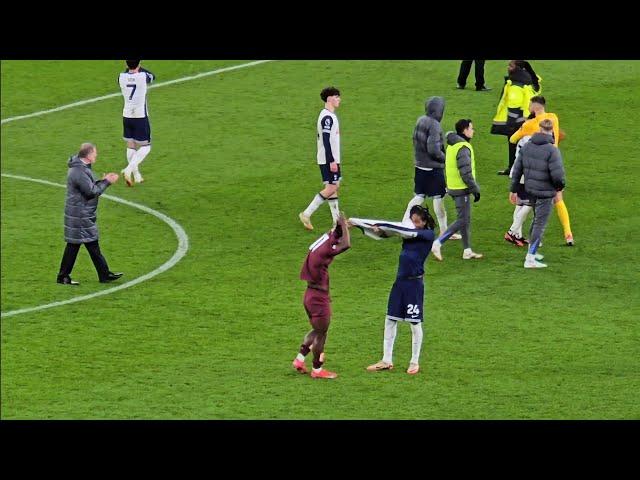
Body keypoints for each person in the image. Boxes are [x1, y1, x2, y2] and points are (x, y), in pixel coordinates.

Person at [349, 205, 435, 375]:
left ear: (424, 222)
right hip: (400, 282)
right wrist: (368, 227)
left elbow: (398, 229)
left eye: (417, 221)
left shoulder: (427, 234)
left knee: (415, 322)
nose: (413, 224)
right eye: (412, 221)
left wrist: (370, 224)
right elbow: (386, 233)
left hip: (414, 285)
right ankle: (386, 360)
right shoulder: (409, 232)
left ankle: (414, 361)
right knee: (390, 319)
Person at [505, 96, 574, 245]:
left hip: (535, 168)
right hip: (553, 162)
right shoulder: (553, 118)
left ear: (534, 107)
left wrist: (523, 132)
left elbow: (512, 139)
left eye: (530, 104)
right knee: (557, 199)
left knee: (530, 202)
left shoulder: (529, 125)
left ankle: (516, 233)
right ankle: (568, 234)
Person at [293, 212, 351, 379]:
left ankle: (299, 359)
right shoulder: (326, 251)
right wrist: (345, 227)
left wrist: (342, 226)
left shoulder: (323, 240)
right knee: (321, 334)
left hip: (310, 296)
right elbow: (346, 244)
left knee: (317, 330)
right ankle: (317, 369)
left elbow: (335, 235)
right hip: (318, 299)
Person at [57, 143, 123, 285]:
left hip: (81, 213)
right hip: (80, 214)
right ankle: (64, 276)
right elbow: (91, 192)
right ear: (88, 155)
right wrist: (107, 182)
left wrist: (102, 181)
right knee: (78, 246)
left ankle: (103, 274)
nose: (96, 156)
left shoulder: (80, 168)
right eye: (94, 153)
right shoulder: (79, 171)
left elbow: (89, 187)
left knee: (87, 245)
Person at [509, 119, 566, 268]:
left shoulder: (527, 146)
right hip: (545, 192)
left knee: (536, 221)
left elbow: (517, 170)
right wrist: (560, 187)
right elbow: (558, 174)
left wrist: (513, 189)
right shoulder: (552, 150)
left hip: (530, 189)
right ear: (551, 131)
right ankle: (530, 258)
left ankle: (531, 252)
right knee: (540, 224)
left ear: (539, 130)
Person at [403, 96, 461, 240]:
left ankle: (404, 224)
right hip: (433, 168)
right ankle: (444, 231)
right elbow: (434, 150)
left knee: (419, 196)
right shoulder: (434, 125)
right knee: (438, 197)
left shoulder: (420, 120)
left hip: (420, 165)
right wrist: (446, 158)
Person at [430, 119, 483, 261]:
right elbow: (465, 172)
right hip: (461, 188)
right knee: (462, 219)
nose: (473, 131)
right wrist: (475, 189)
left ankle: (467, 250)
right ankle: (438, 243)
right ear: (465, 130)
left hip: (453, 186)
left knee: (465, 219)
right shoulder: (463, 147)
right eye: (471, 128)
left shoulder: (452, 145)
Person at [299, 86, 342, 230]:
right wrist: (331, 161)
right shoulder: (327, 117)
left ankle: (337, 223)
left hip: (331, 158)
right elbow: (325, 139)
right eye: (336, 97)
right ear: (329, 98)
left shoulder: (328, 115)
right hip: (328, 159)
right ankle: (306, 214)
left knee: (334, 187)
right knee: (331, 187)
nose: (339, 100)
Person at [491, 60, 541, 175]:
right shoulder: (528, 80)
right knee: (521, 144)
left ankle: (515, 169)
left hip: (517, 120)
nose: (508, 67)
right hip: (528, 118)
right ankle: (516, 168)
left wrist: (511, 123)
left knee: (514, 144)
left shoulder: (515, 85)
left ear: (518, 68)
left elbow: (514, 105)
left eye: (511, 66)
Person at [119, 60, 155, 186]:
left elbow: (127, 73)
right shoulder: (142, 76)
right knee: (146, 146)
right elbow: (152, 76)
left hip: (127, 115)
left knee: (131, 145)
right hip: (140, 116)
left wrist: (131, 66)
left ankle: (137, 175)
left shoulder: (121, 77)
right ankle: (129, 169)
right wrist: (139, 67)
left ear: (126, 64)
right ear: (139, 64)